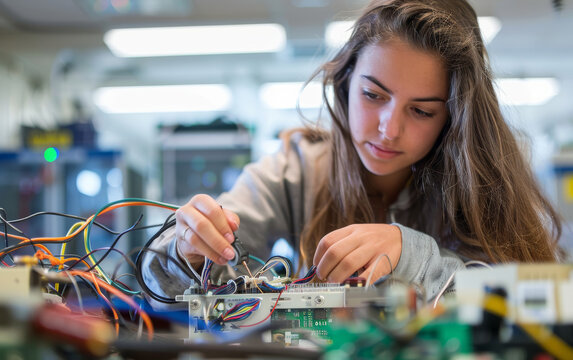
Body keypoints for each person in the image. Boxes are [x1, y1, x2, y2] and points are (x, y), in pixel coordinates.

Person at [142, 0, 564, 308]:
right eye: (372, 94)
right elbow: (161, 279)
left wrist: (409, 253)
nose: (388, 129)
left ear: (454, 117)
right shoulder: (299, 167)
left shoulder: (483, 180)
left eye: (421, 110)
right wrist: (187, 248)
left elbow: (537, 304)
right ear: (345, 85)